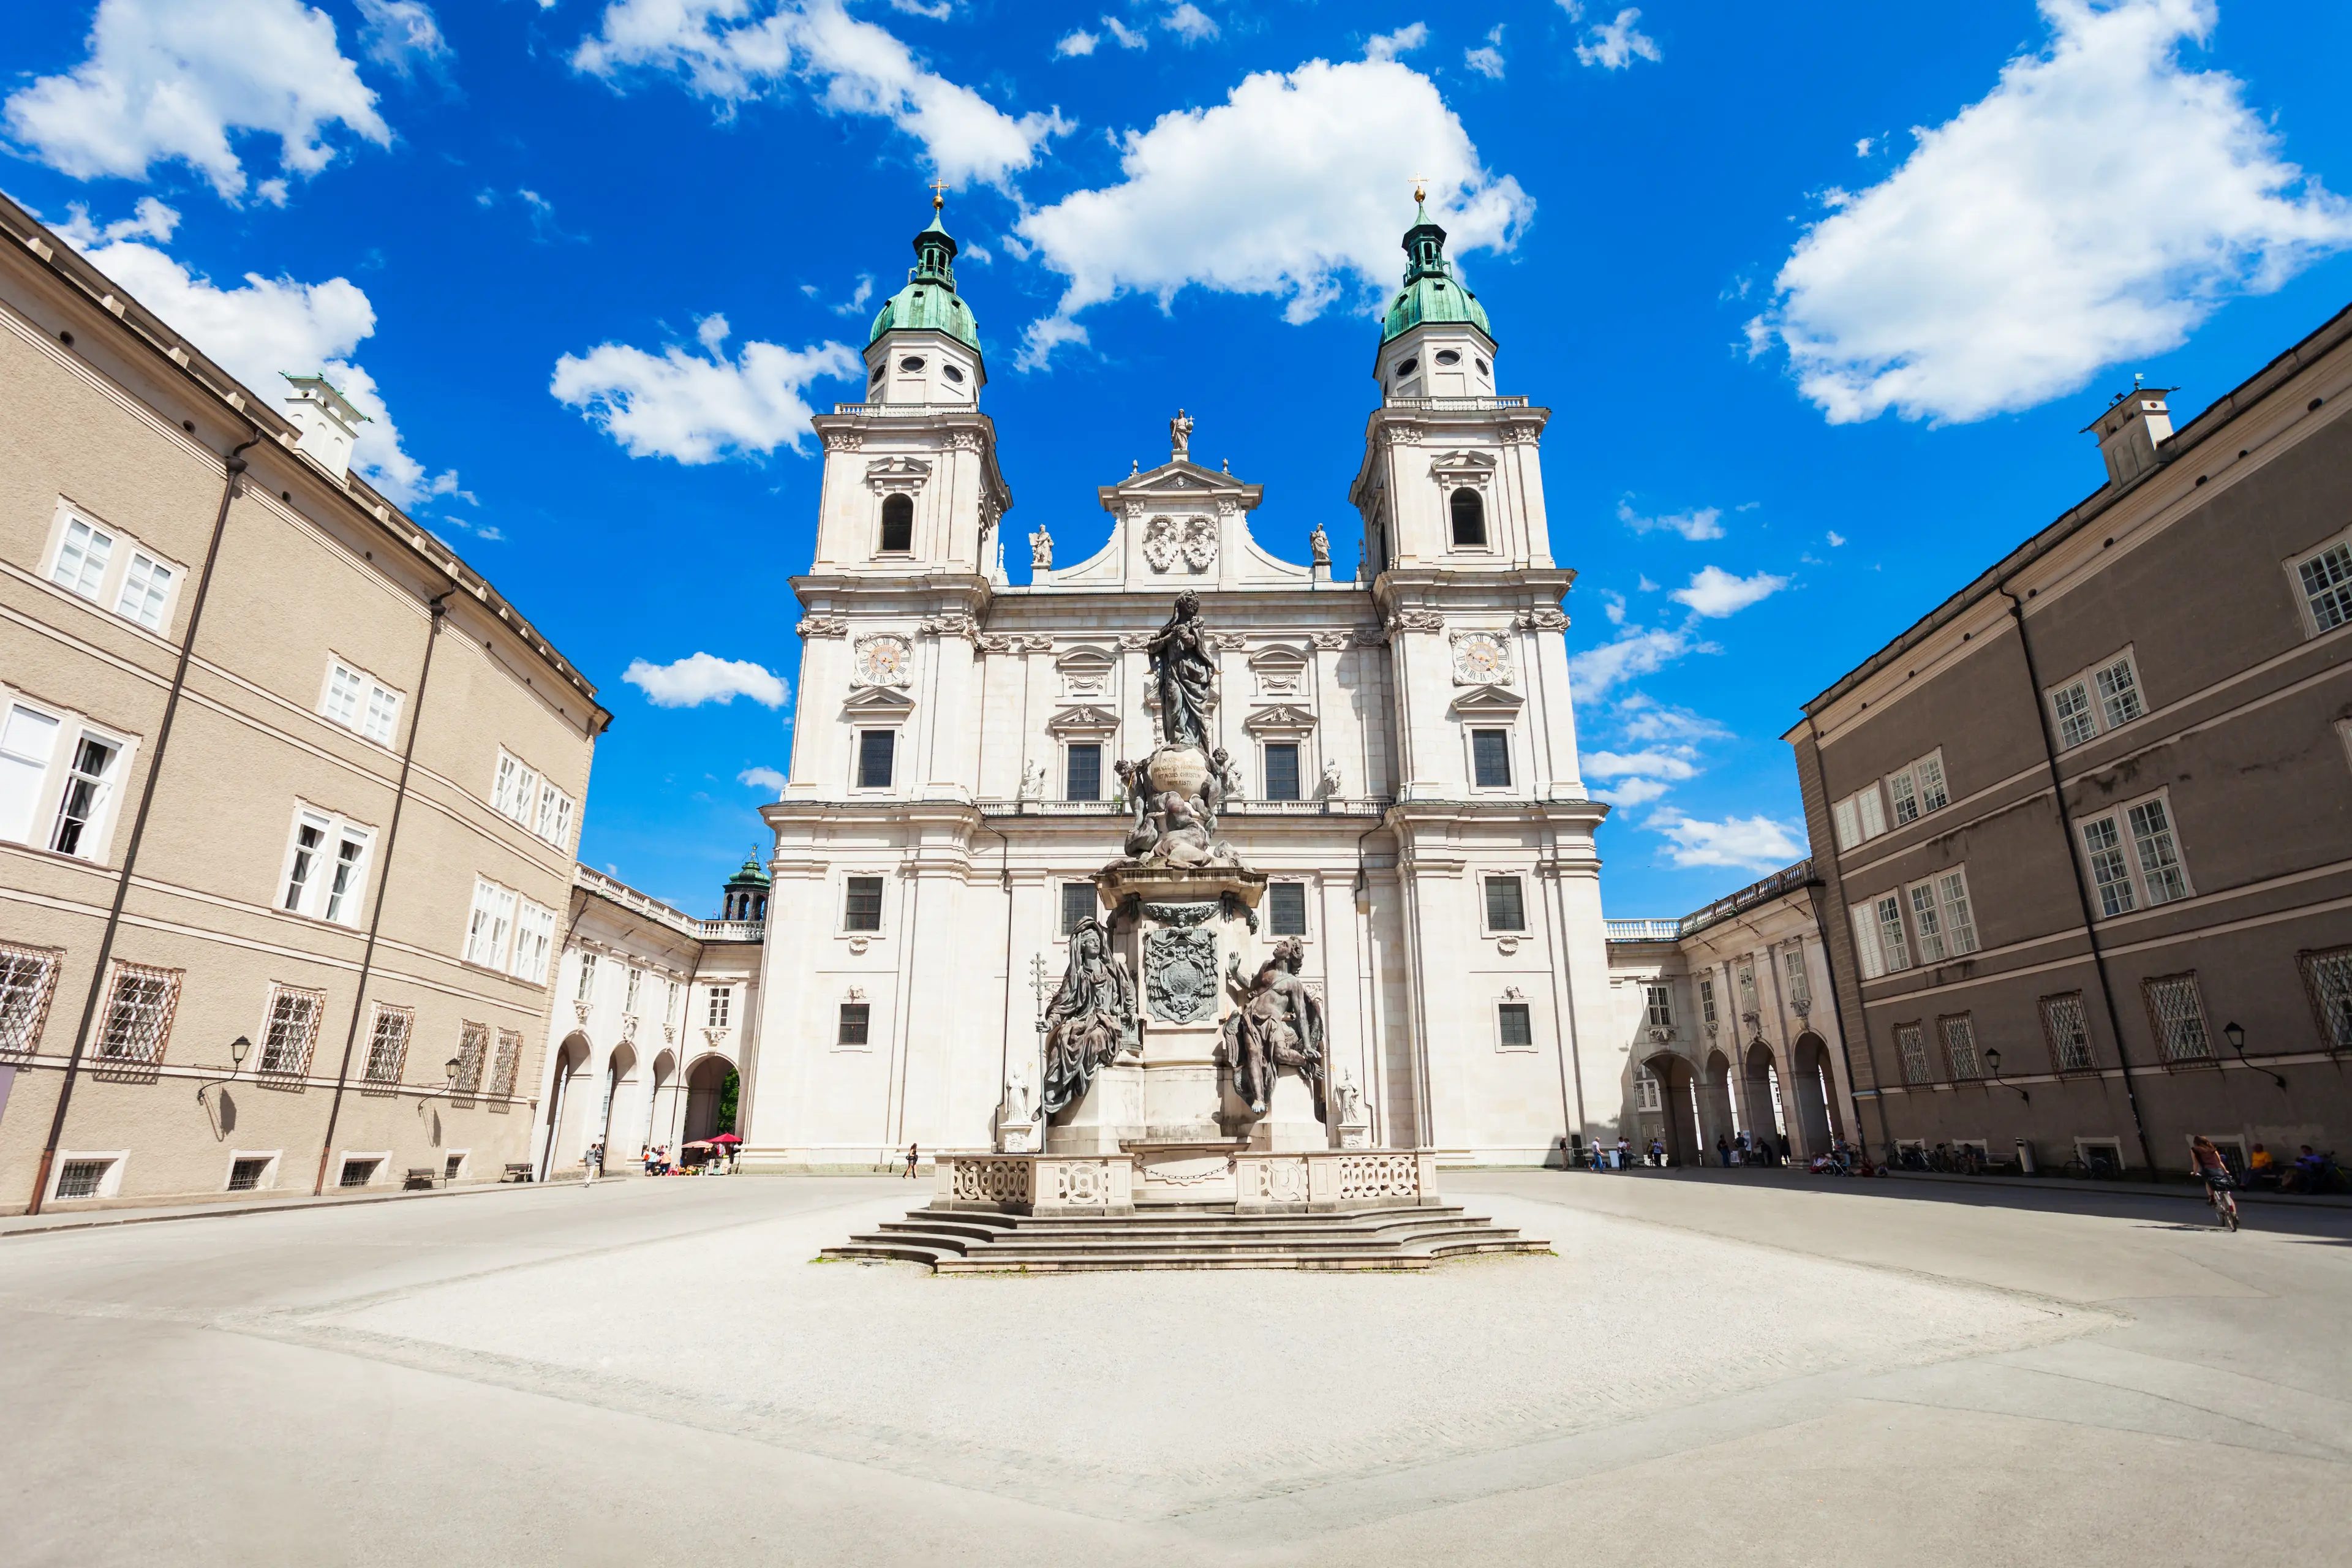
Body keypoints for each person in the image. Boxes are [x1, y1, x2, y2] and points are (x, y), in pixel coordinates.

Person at [2190, 1135, 2238, 1228]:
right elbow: (2220, 1162)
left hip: (2208, 1170)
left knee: (2208, 1182)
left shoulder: (2195, 1150)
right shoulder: (2212, 1149)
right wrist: (2225, 1171)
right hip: (2219, 1170)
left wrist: (2194, 1172)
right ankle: (2235, 1215)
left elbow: (2196, 1163)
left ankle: (2212, 1197)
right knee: (2226, 1191)